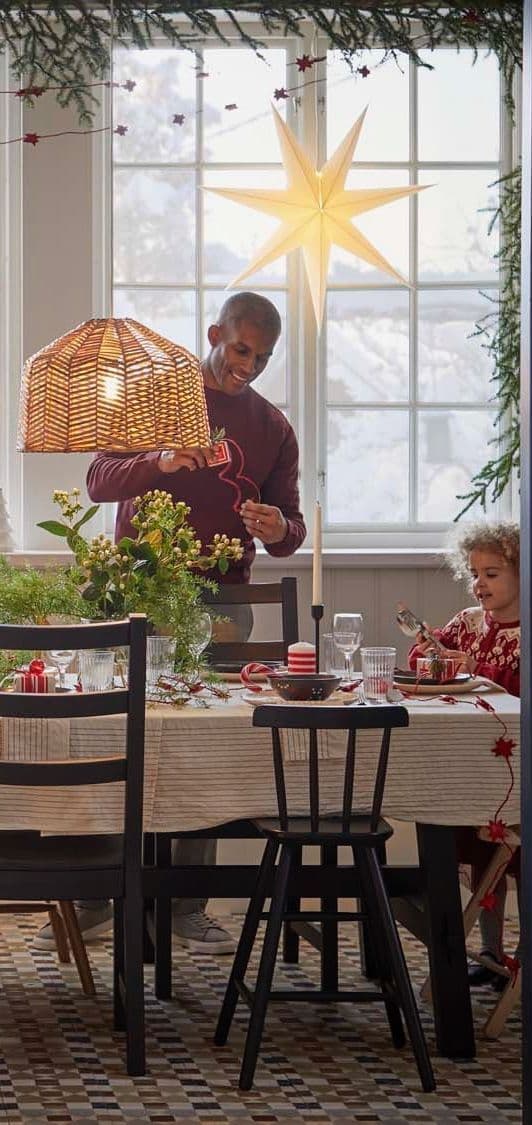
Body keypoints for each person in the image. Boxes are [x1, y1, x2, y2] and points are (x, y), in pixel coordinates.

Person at [35, 292, 306, 956]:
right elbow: (98, 481)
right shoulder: (156, 394)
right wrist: (161, 460)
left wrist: (277, 525)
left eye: (262, 358)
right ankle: (97, 899)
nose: (249, 366)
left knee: (203, 745)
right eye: (241, 350)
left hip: (223, 603)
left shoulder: (272, 427)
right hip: (133, 590)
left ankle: (185, 906)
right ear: (215, 333)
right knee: (107, 732)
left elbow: (290, 529)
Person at [408, 521, 520, 990]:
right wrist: (432, 653)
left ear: (523, 573)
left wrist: (478, 668)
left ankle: (525, 950)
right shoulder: (466, 621)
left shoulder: (531, 632)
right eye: (475, 573)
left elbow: (520, 693)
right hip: (471, 761)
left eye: (492, 574)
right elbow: (424, 655)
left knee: (507, 854)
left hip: (513, 763)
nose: (480, 584)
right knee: (479, 857)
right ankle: (491, 949)